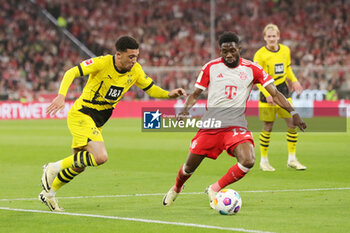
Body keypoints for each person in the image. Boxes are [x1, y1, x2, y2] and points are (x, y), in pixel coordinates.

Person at [39, 36, 186, 211]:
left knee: (79, 165)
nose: (134, 60)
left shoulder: (136, 71)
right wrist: (61, 95)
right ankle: (52, 168)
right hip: (83, 113)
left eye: (136, 56)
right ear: (118, 54)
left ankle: (49, 194)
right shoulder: (102, 63)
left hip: (99, 119)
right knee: (100, 157)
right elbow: (71, 72)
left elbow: (151, 88)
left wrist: (169, 94)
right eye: (131, 56)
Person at [162, 32, 306, 208]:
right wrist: (185, 110)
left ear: (239, 48)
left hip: (236, 125)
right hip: (211, 125)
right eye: (224, 51)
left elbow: (275, 94)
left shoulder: (253, 69)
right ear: (220, 51)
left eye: (232, 50)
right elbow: (196, 94)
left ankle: (215, 188)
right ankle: (176, 188)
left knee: (248, 160)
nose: (228, 55)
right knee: (188, 168)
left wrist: (293, 113)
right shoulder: (210, 67)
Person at [253, 23, 306, 171]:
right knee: (268, 127)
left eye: (274, 36)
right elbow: (257, 77)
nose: (271, 38)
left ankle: (292, 159)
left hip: (282, 89)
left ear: (278, 36)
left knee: (292, 122)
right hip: (267, 91)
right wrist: (266, 93)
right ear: (264, 37)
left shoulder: (285, 50)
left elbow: (287, 67)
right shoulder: (259, 55)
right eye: (269, 36)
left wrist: (294, 80)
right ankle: (263, 161)